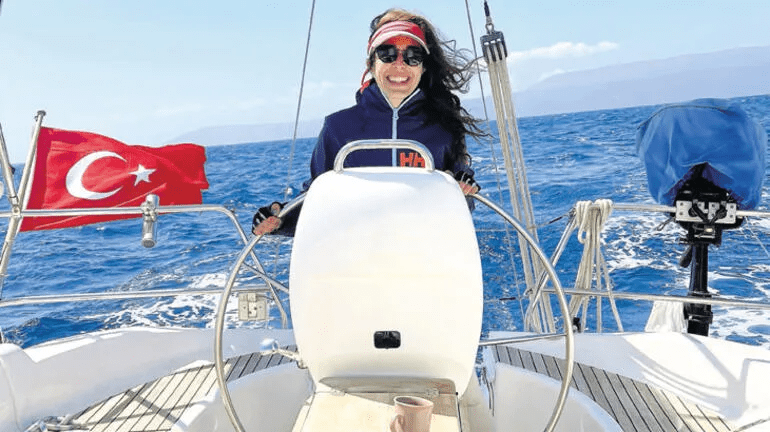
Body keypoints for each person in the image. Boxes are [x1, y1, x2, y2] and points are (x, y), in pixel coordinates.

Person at [253, 8, 485, 236]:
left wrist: (462, 188)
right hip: (356, 252)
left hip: (424, 250)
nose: (400, 64)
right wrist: (280, 219)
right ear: (371, 63)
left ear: (423, 67)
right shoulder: (338, 127)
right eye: (387, 54)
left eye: (413, 56)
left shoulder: (444, 129)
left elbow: (462, 207)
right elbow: (316, 198)